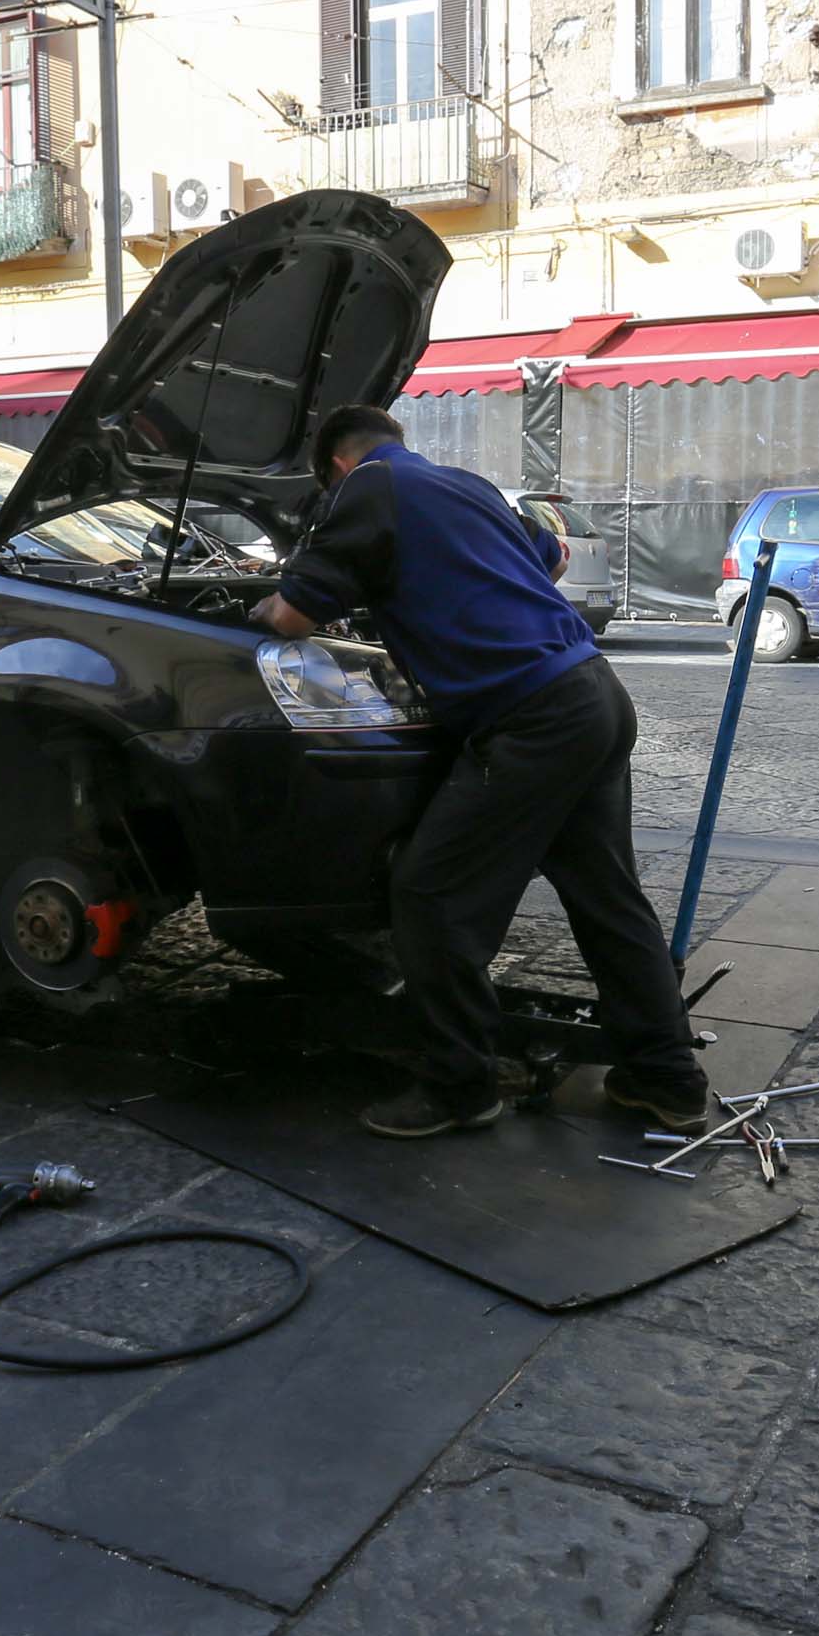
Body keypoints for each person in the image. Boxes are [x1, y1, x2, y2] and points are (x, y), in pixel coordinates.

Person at [252, 404, 708, 1139]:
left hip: (530, 718)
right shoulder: (466, 485)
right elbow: (552, 561)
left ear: (336, 465)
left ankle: (460, 1086)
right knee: (607, 898)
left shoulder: (367, 491)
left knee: (431, 894)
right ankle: (667, 1080)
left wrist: (267, 593)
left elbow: (290, 619)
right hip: (592, 693)